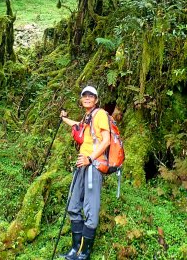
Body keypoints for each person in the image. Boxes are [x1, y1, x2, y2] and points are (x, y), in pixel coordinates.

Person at [59, 85, 110, 260]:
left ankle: (85, 252)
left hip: (93, 165)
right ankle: (75, 249)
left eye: (91, 95)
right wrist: (65, 119)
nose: (87, 97)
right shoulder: (87, 117)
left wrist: (90, 158)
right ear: (81, 100)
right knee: (73, 206)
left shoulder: (100, 114)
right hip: (82, 164)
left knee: (91, 208)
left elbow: (106, 141)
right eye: (84, 95)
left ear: (96, 99)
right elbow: (78, 126)